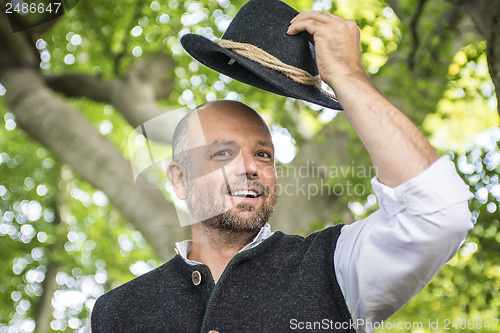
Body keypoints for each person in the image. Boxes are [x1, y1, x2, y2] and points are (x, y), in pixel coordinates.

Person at [88, 11, 473, 333]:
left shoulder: (336, 267)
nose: (251, 167)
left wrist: (348, 77)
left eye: (264, 154)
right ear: (179, 179)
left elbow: (438, 213)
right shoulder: (112, 314)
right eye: (222, 153)